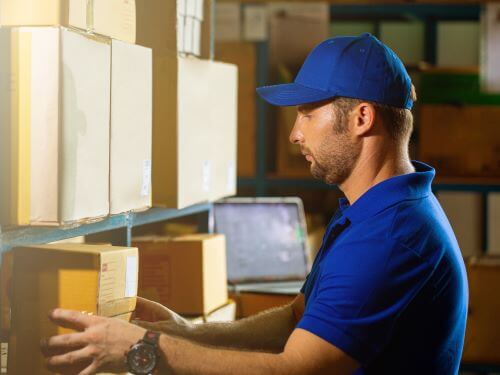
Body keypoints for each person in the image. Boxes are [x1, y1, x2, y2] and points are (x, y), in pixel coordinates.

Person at [40, 33, 468, 375]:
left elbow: (299, 368)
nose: (294, 134)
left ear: (361, 117)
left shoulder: (391, 237)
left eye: (306, 112)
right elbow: (294, 320)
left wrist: (144, 350)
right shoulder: (370, 212)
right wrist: (191, 334)